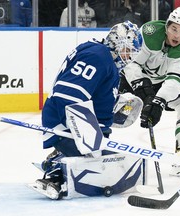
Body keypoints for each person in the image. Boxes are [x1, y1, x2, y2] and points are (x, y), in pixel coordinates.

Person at [30, 21, 144, 200]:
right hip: (66, 125)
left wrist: (115, 108)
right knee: (108, 164)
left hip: (78, 127)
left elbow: (95, 97)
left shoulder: (106, 59)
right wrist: (86, 137)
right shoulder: (98, 57)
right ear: (117, 42)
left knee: (114, 162)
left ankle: (63, 157)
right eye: (128, 50)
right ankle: (56, 173)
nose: (129, 57)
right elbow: (67, 96)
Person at [119, 7, 180, 177]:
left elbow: (175, 81)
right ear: (167, 26)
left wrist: (158, 102)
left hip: (161, 85)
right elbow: (131, 64)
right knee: (111, 110)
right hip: (132, 81)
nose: (177, 35)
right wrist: (142, 89)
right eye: (174, 29)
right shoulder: (150, 32)